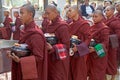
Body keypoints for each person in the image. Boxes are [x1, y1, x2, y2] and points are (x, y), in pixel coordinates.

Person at [8, 4, 47, 80]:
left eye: (22, 13)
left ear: (30, 14)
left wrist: (20, 60)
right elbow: (23, 49)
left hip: (31, 73)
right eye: (20, 13)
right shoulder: (25, 30)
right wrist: (14, 52)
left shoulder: (36, 34)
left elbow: (39, 57)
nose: (20, 16)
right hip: (23, 69)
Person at [42, 5, 70, 80]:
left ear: (56, 12)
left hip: (60, 59)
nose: (47, 16)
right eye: (46, 14)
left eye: (48, 13)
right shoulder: (49, 25)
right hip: (51, 57)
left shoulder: (63, 26)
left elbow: (67, 45)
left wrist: (53, 48)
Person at [67, 5, 90, 80]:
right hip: (71, 52)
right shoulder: (70, 24)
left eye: (70, 11)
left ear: (76, 11)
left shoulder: (84, 24)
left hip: (80, 53)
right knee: (71, 72)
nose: (68, 12)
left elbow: (88, 39)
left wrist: (78, 48)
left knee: (79, 73)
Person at [87, 10, 110, 80]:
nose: (94, 18)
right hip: (91, 53)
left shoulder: (104, 28)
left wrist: (94, 49)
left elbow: (105, 43)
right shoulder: (92, 26)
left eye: (96, 17)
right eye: (93, 16)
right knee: (91, 72)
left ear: (101, 17)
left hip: (99, 54)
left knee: (98, 74)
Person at [104, 5, 120, 80]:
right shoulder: (105, 20)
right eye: (105, 10)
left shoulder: (116, 22)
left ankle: (113, 78)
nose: (106, 12)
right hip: (106, 44)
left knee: (113, 62)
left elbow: (118, 34)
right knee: (104, 61)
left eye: (108, 10)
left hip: (113, 45)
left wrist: (108, 37)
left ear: (113, 11)